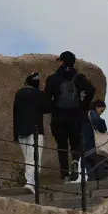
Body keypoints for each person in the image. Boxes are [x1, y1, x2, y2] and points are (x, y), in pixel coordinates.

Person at [44, 51, 97, 181]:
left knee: (61, 145)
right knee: (75, 144)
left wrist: (53, 107)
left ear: (61, 61)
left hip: (58, 118)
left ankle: (65, 174)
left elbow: (46, 98)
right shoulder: (79, 77)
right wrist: (83, 106)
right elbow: (91, 90)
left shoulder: (53, 78)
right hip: (75, 116)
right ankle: (75, 161)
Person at [12, 71, 46, 191]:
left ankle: (30, 181)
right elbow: (47, 108)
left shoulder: (19, 93)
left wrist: (15, 133)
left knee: (28, 158)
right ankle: (31, 183)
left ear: (26, 82)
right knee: (35, 157)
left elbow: (15, 113)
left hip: (22, 130)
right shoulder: (40, 94)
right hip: (36, 130)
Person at [80, 99, 108, 181]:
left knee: (92, 175)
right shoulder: (92, 113)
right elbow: (100, 125)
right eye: (101, 110)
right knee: (104, 172)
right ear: (97, 107)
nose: (101, 113)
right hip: (95, 149)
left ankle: (91, 192)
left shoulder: (84, 118)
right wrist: (103, 124)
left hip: (86, 151)